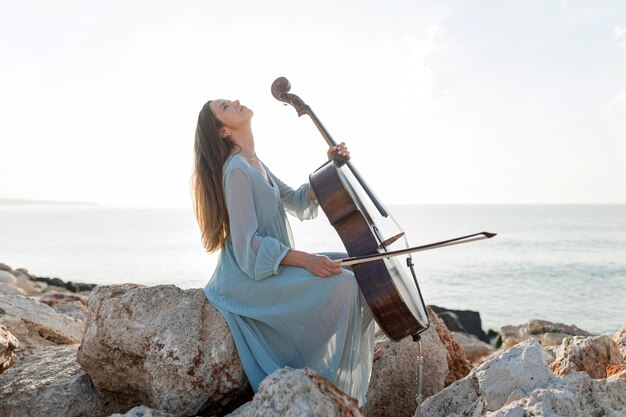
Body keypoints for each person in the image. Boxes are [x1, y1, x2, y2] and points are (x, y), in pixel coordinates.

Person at [192, 98, 378, 405]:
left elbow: (297, 200)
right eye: (226, 107)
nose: (236, 102)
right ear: (223, 131)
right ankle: (317, 364)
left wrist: (330, 168)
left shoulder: (255, 163)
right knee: (342, 282)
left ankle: (349, 345)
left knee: (361, 265)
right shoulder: (236, 169)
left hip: (271, 263)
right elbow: (248, 247)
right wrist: (306, 260)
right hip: (246, 276)